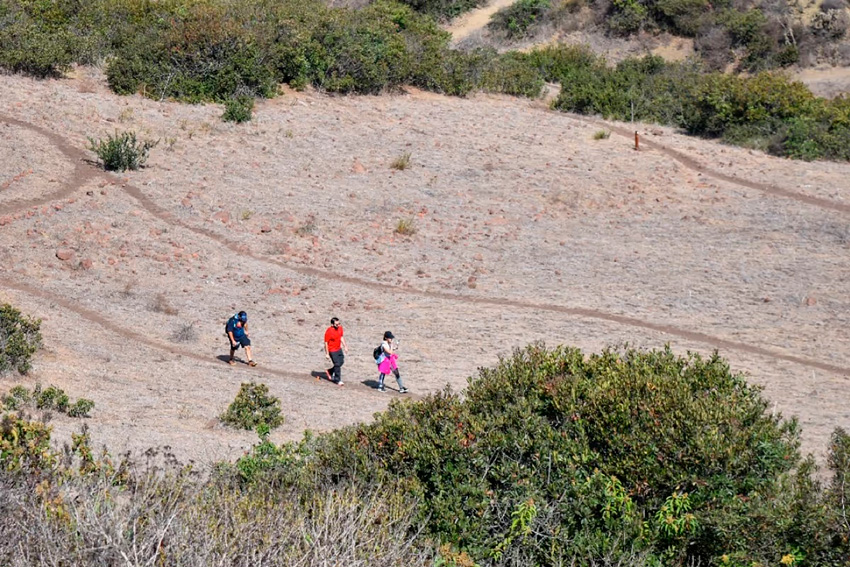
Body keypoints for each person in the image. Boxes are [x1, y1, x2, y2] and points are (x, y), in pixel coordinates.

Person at [323, 317, 348, 386]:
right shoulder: (329, 331)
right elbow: (326, 343)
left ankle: (330, 371)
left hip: (338, 348)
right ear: (332, 324)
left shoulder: (340, 328)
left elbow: (341, 337)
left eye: (339, 324)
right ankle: (337, 380)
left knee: (341, 362)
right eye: (337, 324)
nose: (338, 325)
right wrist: (327, 354)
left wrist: (345, 346)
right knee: (337, 364)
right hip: (332, 350)